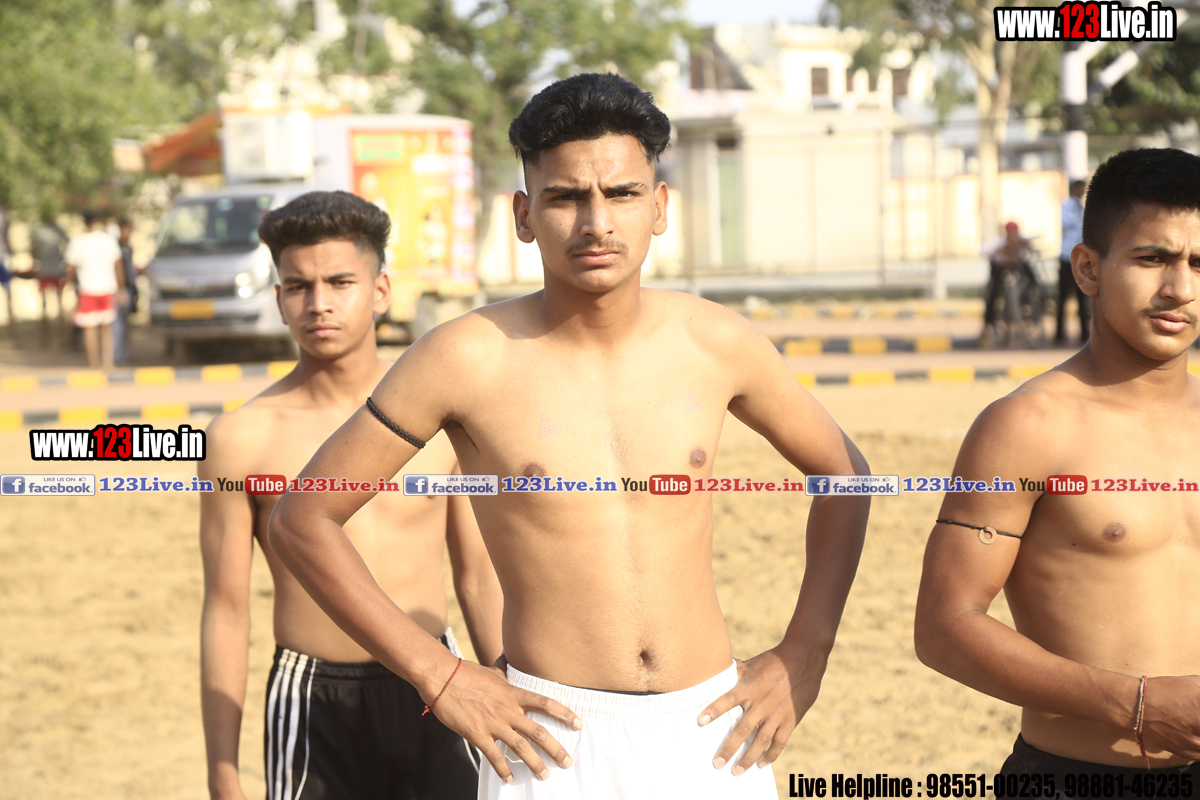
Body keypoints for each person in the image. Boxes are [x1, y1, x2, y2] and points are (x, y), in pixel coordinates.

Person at [269, 73, 870, 799]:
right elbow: (303, 517)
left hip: (711, 732)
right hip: (549, 740)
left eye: (621, 193)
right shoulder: (465, 357)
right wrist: (439, 675)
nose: (596, 222)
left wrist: (806, 651)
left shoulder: (717, 342)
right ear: (524, 214)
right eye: (565, 197)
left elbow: (846, 476)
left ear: (659, 206)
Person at [199, 191, 504, 800]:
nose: (319, 304)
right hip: (312, 696)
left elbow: (477, 578)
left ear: (381, 290)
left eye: (340, 282)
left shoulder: (442, 423)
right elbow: (227, 610)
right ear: (279, 299)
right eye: (298, 287)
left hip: (440, 682)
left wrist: (511, 688)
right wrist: (222, 773)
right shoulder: (240, 440)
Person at [915, 147, 1200, 785]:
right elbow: (943, 626)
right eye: (1152, 258)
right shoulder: (1026, 427)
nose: (1179, 289)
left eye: (1198, 264)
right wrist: (1134, 705)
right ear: (1089, 268)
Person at [64, 212, 124, 369]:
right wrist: (122, 289)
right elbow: (118, 265)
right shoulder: (108, 240)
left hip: (87, 289)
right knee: (106, 328)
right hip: (107, 288)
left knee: (89, 329)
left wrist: (69, 284)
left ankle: (94, 364)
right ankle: (108, 363)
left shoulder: (77, 242)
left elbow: (71, 269)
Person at [981, 221, 1038, 347]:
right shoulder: (1000, 243)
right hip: (1000, 272)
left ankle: (1031, 299)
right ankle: (988, 323)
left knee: (1028, 273)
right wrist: (998, 251)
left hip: (1017, 270)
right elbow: (983, 250)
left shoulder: (1021, 241)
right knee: (993, 294)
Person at [1056, 179, 1091, 345]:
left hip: (1081, 259)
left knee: (1082, 297)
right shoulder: (1067, 206)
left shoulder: (1085, 206)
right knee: (1062, 298)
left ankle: (1084, 334)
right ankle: (1059, 335)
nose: (1081, 190)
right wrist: (1078, 212)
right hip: (1066, 257)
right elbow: (1065, 224)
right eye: (1079, 188)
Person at [31, 213, 69, 324]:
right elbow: (68, 242)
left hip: (46, 268)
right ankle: (58, 322)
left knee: (45, 298)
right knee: (58, 297)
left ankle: (47, 323)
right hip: (54, 268)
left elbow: (33, 250)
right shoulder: (56, 230)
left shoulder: (39, 231)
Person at [112, 218, 138, 364]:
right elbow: (119, 270)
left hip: (128, 288)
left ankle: (122, 353)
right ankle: (117, 355)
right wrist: (121, 290)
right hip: (120, 290)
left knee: (125, 324)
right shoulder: (115, 247)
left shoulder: (127, 247)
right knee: (118, 325)